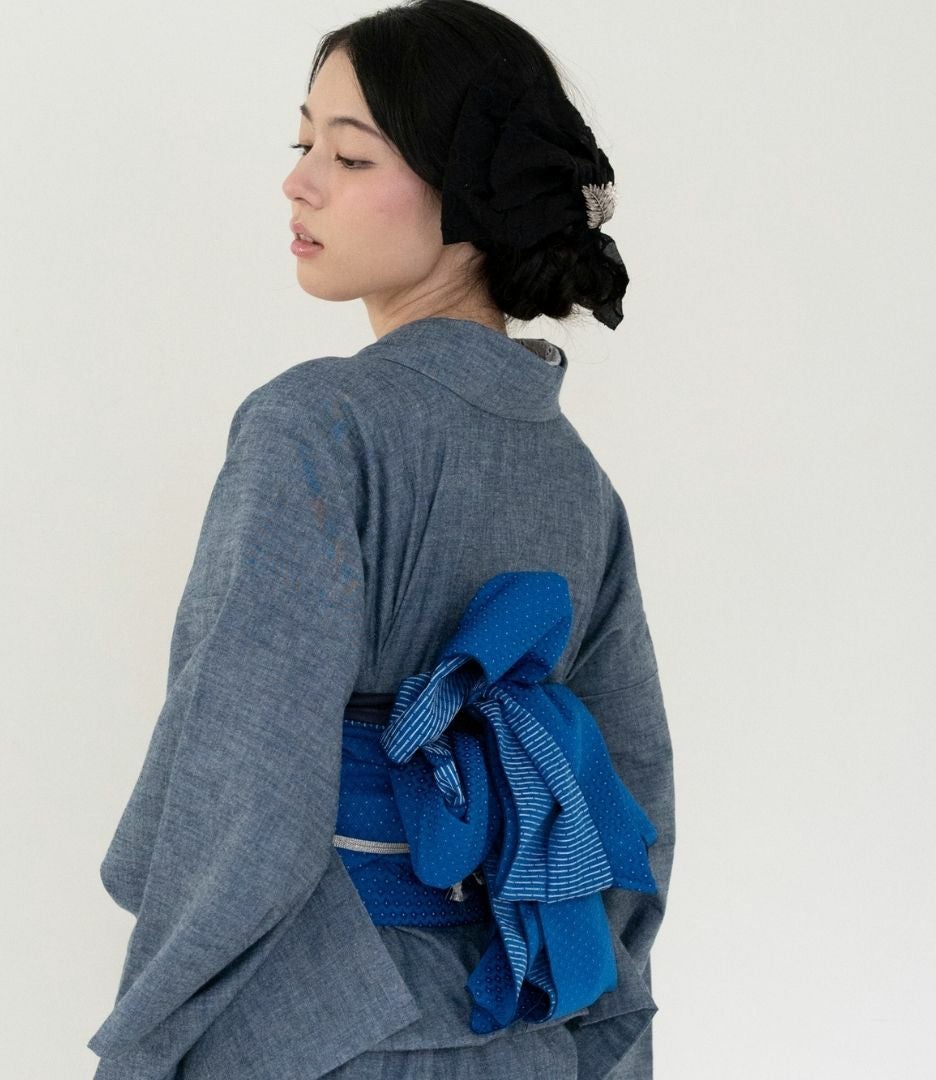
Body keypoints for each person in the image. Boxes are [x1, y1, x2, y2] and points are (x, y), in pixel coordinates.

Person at [85, 2, 675, 1078]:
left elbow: (246, 786)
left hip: (330, 1030)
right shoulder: (576, 479)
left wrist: (149, 1040)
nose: (299, 182)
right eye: (302, 142)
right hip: (525, 1022)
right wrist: (601, 1029)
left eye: (350, 156)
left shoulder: (316, 427)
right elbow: (632, 785)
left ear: (471, 191)